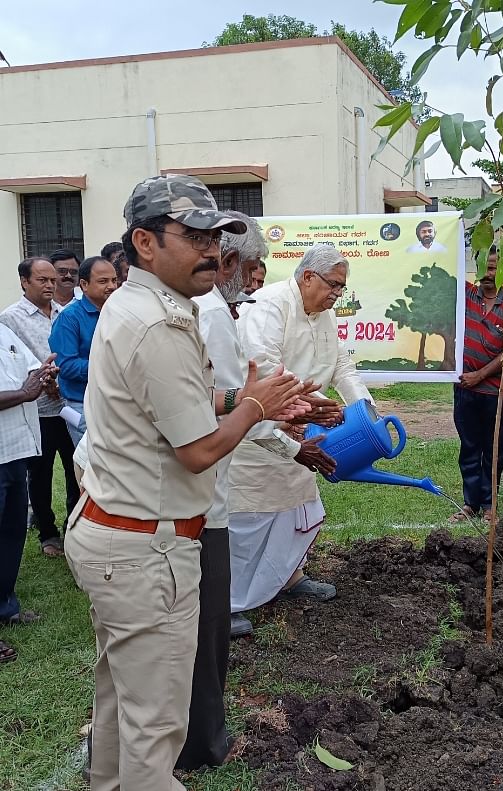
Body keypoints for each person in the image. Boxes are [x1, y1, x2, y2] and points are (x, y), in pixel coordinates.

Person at [63, 174, 304, 790]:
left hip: (119, 533)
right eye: (193, 236)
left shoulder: (144, 306)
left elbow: (184, 403)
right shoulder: (157, 324)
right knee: (155, 726)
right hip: (145, 547)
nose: (211, 251)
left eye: (215, 236)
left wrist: (249, 398)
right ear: (144, 242)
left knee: (122, 699)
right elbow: (198, 450)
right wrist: (252, 408)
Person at [178, 213, 332, 771]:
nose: (252, 275)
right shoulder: (220, 315)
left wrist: (291, 412)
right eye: (249, 265)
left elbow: (227, 400)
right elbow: (226, 407)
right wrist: (289, 435)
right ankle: (199, 743)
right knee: (210, 598)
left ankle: (201, 736)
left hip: (224, 463)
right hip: (193, 486)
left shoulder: (213, 309)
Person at [229, 243, 363, 616]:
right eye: (333, 285)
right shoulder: (269, 306)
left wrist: (363, 407)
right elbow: (267, 369)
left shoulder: (325, 316)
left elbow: (342, 366)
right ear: (307, 277)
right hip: (258, 431)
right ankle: (231, 599)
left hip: (302, 428)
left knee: (293, 512)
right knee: (248, 520)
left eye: (341, 288)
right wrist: (313, 407)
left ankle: (288, 577)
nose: (337, 294)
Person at [0, 258, 79, 557]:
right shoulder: (10, 318)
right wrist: (41, 380)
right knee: (41, 475)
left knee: (76, 469)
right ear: (24, 281)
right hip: (38, 409)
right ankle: (48, 534)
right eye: (42, 280)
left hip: (69, 405)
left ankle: (74, 529)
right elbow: (11, 367)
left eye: (52, 280)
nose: (50, 285)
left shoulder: (65, 313)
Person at [451, 246, 503, 522]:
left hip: (496, 391)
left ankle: (491, 505)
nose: (488, 274)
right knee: (469, 446)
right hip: (463, 389)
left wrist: (479, 375)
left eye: (493, 267)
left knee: (493, 450)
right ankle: (470, 504)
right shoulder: (466, 296)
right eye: (483, 267)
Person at [0, 322, 57, 662]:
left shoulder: (4, 331)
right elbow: (24, 388)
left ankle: (6, 606)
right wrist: (24, 393)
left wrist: (43, 374)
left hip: (14, 450)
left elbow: (30, 368)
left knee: (10, 535)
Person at [48, 256, 118, 445]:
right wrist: (113, 368)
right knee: (92, 466)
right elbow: (67, 366)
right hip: (84, 405)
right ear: (84, 285)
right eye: (103, 281)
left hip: (118, 402)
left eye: (114, 280)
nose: (111, 286)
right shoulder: (69, 318)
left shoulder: (120, 313)